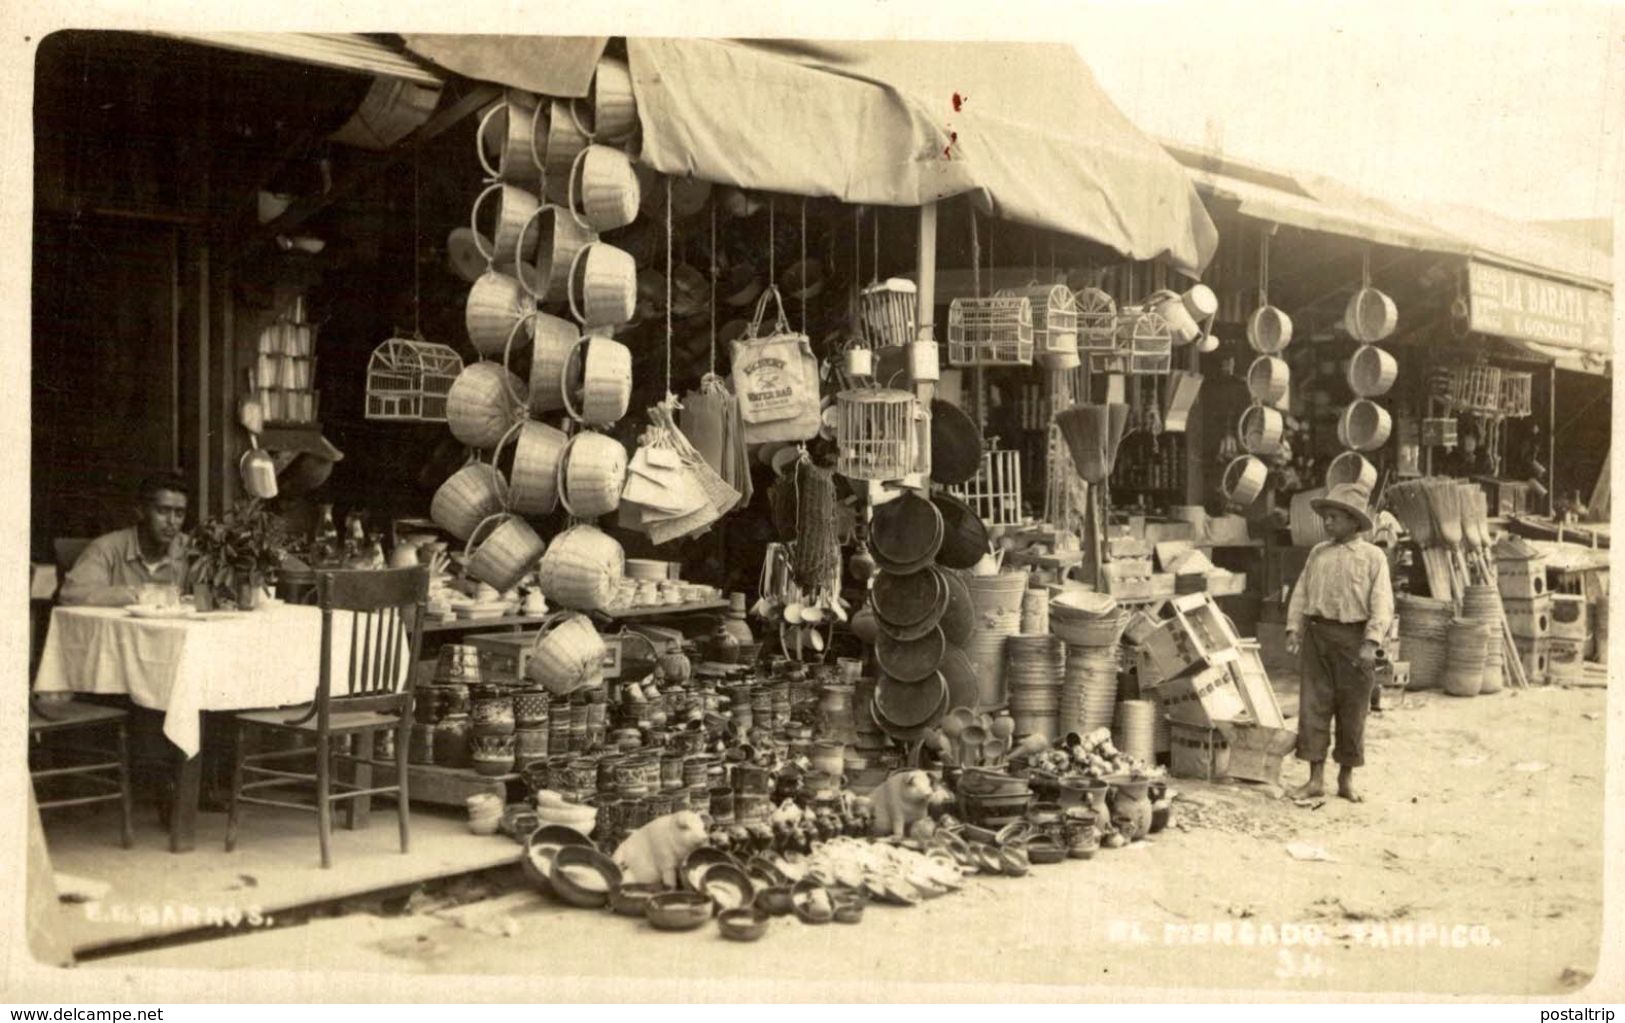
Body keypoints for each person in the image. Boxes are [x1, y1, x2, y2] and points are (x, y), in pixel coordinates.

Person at [1284, 482, 1394, 803]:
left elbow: (1382, 602)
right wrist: (1295, 628)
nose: (1328, 523)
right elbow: (1302, 592)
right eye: (1326, 517)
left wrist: (1371, 641)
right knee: (1313, 707)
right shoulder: (1317, 553)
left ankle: (1346, 779)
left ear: (1353, 521)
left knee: (1352, 711)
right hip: (1318, 639)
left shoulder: (1373, 557)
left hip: (1355, 643)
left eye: (1334, 517)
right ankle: (1315, 778)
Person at [59, 472, 190, 607]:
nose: (172, 521)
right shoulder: (106, 548)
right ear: (141, 511)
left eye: (179, 514)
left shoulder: (192, 549)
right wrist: (140, 595)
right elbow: (72, 595)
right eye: (162, 511)